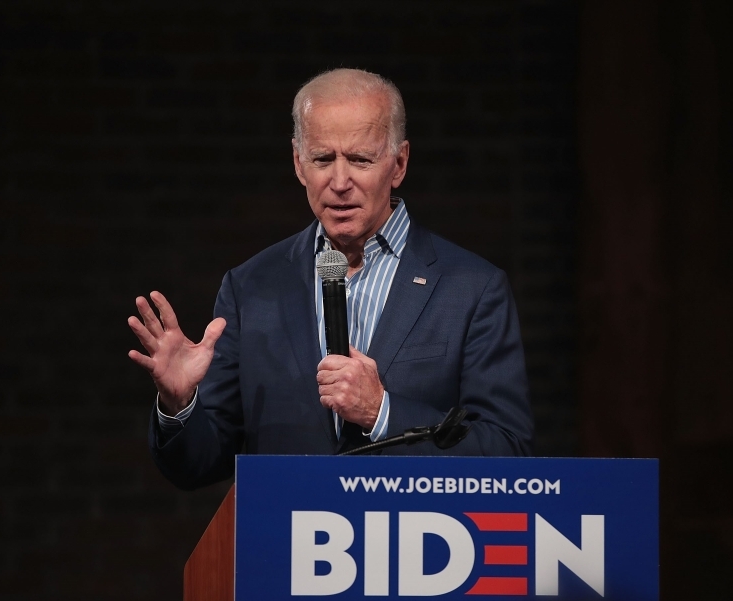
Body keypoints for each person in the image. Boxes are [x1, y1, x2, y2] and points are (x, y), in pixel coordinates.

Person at [128, 69, 533, 490]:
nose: (340, 183)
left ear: (399, 164)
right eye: (323, 159)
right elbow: (199, 464)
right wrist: (179, 405)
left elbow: (508, 453)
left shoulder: (471, 289)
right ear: (298, 164)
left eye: (360, 159)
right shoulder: (251, 287)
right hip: (288, 550)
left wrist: (382, 412)